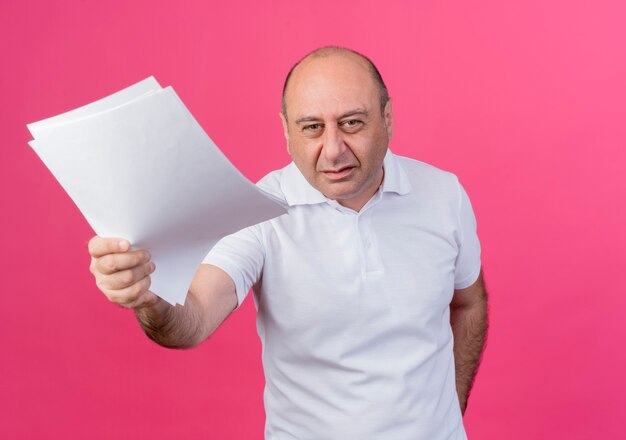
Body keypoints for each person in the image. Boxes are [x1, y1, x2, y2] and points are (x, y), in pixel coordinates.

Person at [88, 46, 488, 439]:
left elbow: (469, 301)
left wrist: (450, 410)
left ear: (387, 118)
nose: (332, 150)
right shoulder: (260, 213)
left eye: (351, 123)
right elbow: (191, 322)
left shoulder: (443, 195)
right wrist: (149, 296)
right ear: (286, 131)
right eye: (312, 127)